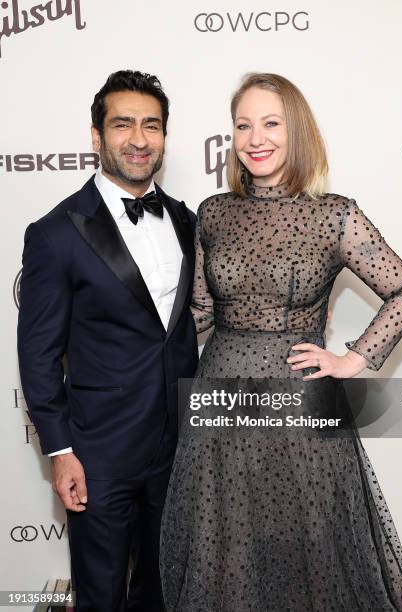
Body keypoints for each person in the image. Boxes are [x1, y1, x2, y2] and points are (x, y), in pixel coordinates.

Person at [159, 73, 402, 611]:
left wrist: (353, 359)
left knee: (313, 542)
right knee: (226, 541)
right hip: (222, 394)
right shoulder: (213, 213)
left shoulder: (333, 214)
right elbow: (204, 310)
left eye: (271, 123)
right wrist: (132, 337)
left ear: (296, 129)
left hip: (301, 395)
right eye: (243, 125)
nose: (256, 138)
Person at [17, 70, 198, 612]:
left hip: (178, 446)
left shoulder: (187, 221)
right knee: (100, 595)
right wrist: (61, 451)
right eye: (123, 125)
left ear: (165, 136)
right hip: (99, 453)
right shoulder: (54, 233)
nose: (139, 139)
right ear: (96, 137)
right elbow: (39, 352)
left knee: (163, 589)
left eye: (152, 126)